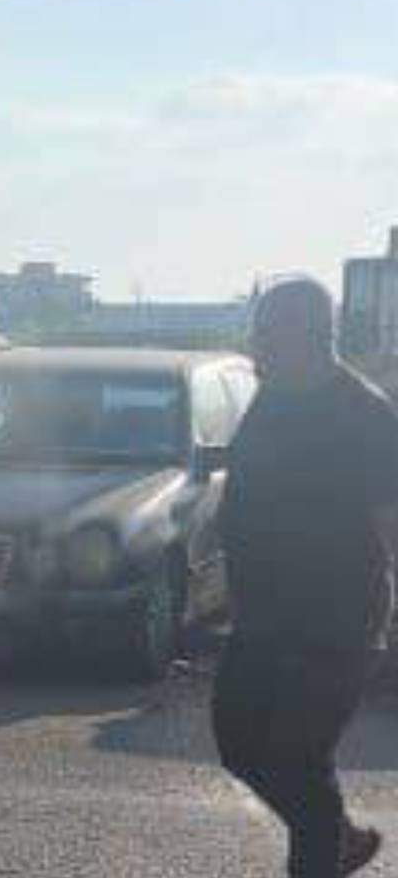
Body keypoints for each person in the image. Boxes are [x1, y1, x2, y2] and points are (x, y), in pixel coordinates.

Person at [215, 276, 397, 877]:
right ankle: (338, 838)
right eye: (254, 332)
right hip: (264, 618)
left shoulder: (366, 414)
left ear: (309, 336)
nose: (254, 346)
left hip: (336, 624)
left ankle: (322, 853)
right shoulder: (273, 399)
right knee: (238, 741)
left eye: (265, 333)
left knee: (296, 760)